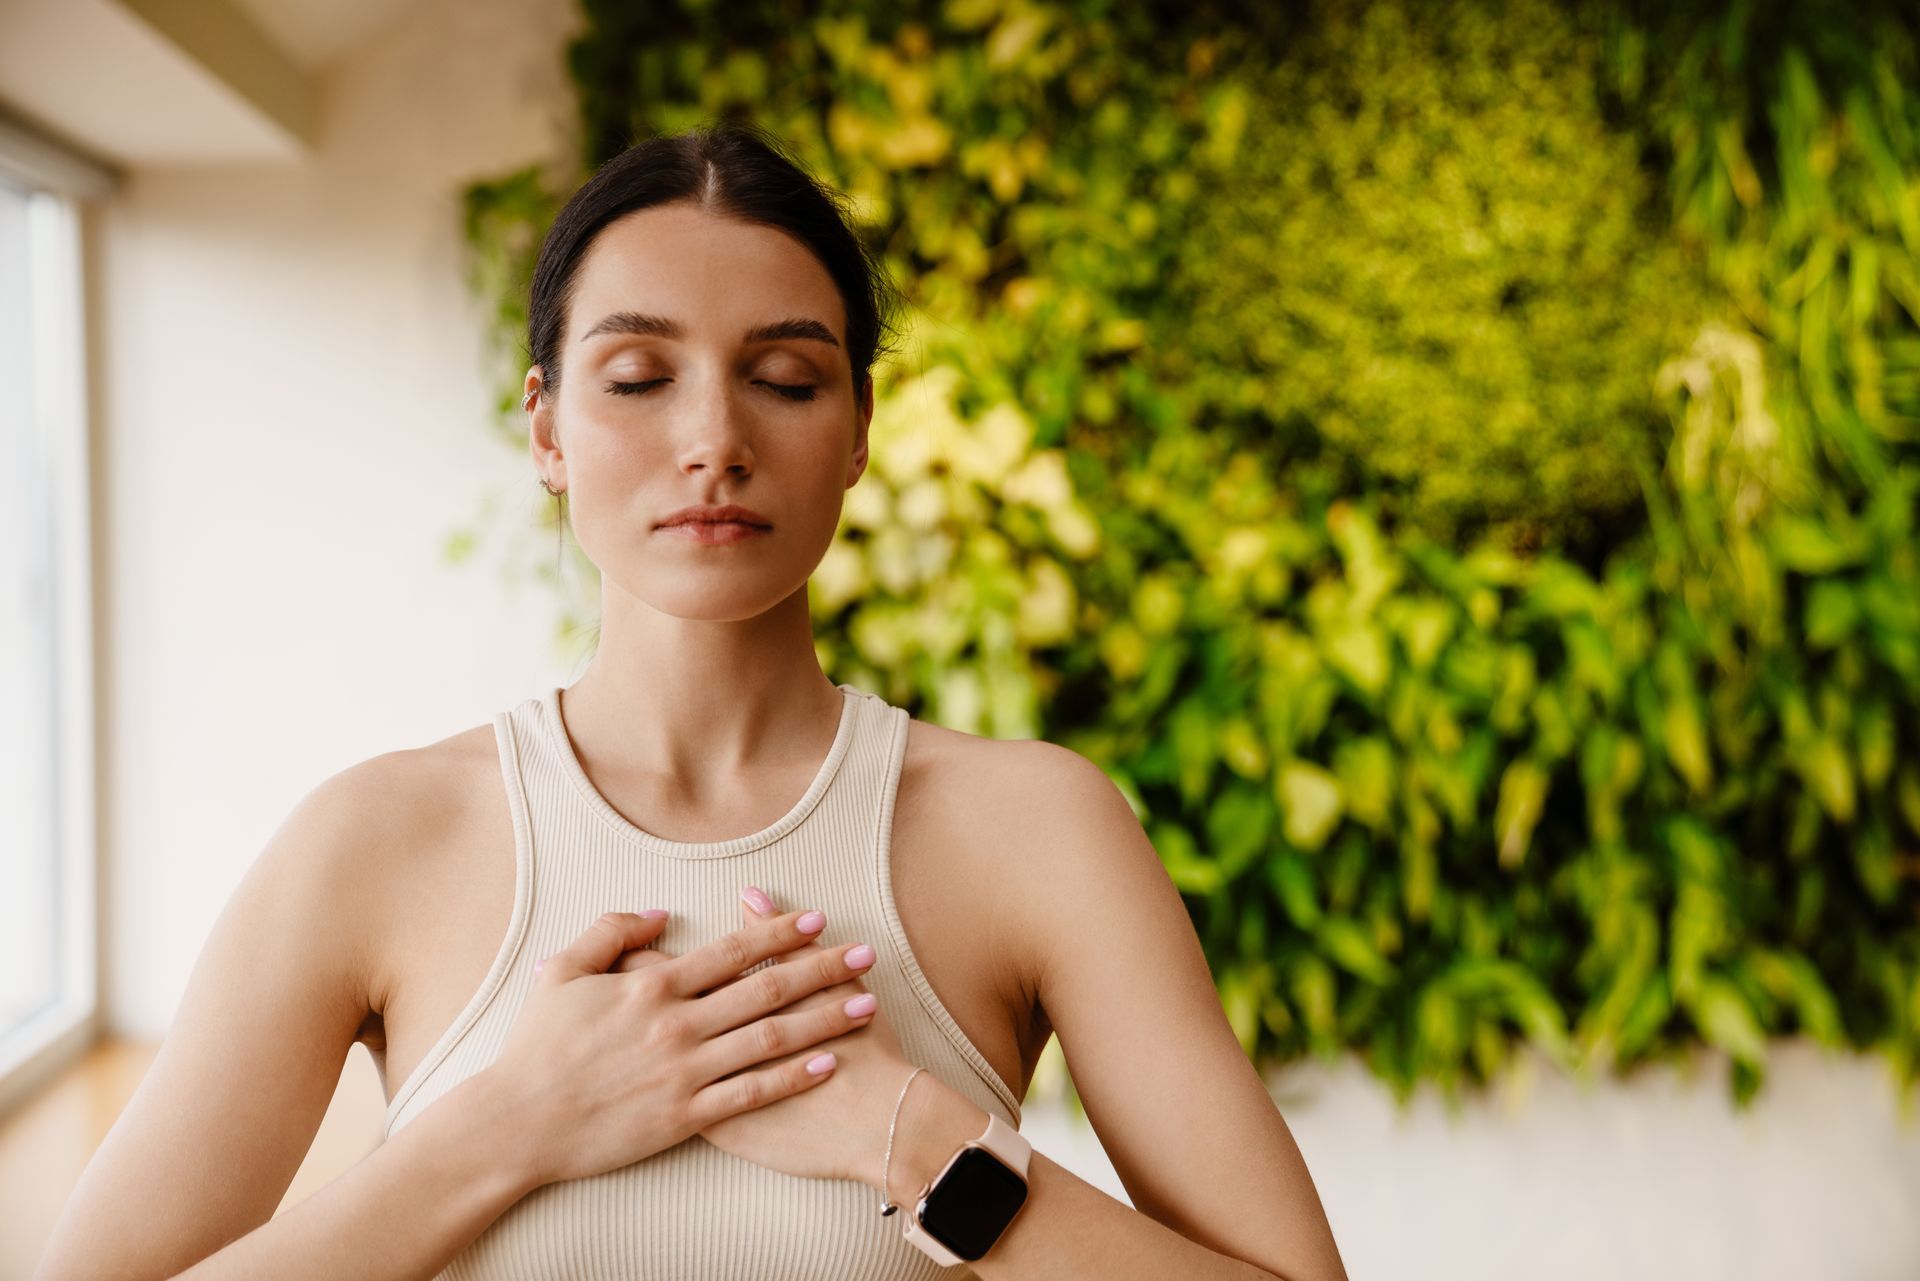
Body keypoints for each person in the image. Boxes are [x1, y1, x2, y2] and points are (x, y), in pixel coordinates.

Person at [34, 121, 1348, 1281]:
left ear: (859, 429)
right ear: (546, 429)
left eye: (785, 378)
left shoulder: (1035, 829)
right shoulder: (376, 840)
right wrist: (507, 1127)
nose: (715, 436)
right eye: (639, 376)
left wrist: (920, 1142)